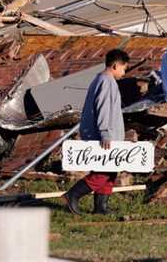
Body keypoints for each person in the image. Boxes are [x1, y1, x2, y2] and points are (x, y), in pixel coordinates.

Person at [63, 49, 129, 215]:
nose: (124, 72)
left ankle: (101, 207)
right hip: (103, 135)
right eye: (124, 68)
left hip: (105, 134)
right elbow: (104, 109)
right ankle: (73, 194)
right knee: (102, 172)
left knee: (111, 171)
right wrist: (106, 133)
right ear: (115, 65)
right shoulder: (106, 82)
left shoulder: (102, 80)